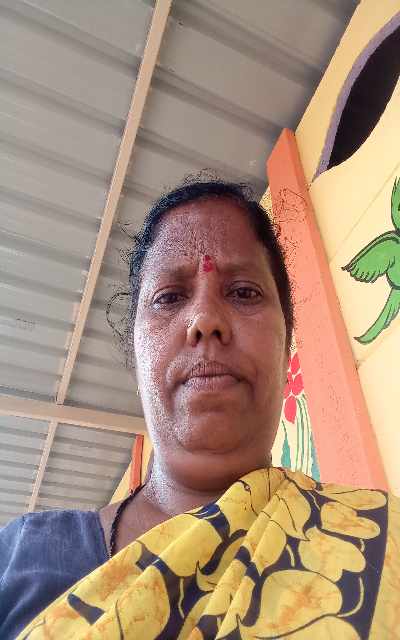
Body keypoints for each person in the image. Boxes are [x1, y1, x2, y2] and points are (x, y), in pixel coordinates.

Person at [1, 177, 399, 640]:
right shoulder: (21, 558)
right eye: (169, 297)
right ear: (137, 357)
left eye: (244, 292)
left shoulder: (381, 538)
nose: (206, 319)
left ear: (286, 346)